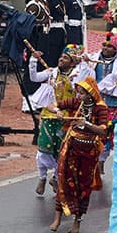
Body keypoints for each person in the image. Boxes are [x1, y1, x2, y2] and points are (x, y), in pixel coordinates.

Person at [51, 76, 109, 233]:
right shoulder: (76, 103)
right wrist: (57, 112)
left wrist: (87, 124)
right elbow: (52, 105)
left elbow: (103, 130)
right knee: (63, 179)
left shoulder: (100, 108)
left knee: (83, 185)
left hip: (89, 152)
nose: (79, 96)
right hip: (71, 147)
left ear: (90, 94)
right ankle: (57, 218)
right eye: (78, 92)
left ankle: (77, 221)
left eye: (82, 93)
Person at [79, 30, 117, 169]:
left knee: (108, 132)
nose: (106, 48)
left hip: (112, 103)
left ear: (115, 49)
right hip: (95, 101)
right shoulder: (93, 59)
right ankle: (92, 160)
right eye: (104, 45)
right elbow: (81, 62)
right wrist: (84, 60)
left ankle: (102, 159)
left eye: (110, 46)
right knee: (91, 130)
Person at [27, 47, 81, 196]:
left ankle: (56, 178)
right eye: (61, 57)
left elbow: (80, 96)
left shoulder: (77, 76)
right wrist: (33, 60)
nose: (61, 60)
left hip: (66, 118)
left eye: (65, 58)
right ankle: (42, 177)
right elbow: (33, 77)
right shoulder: (51, 72)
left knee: (62, 152)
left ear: (72, 63)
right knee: (43, 149)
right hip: (48, 115)